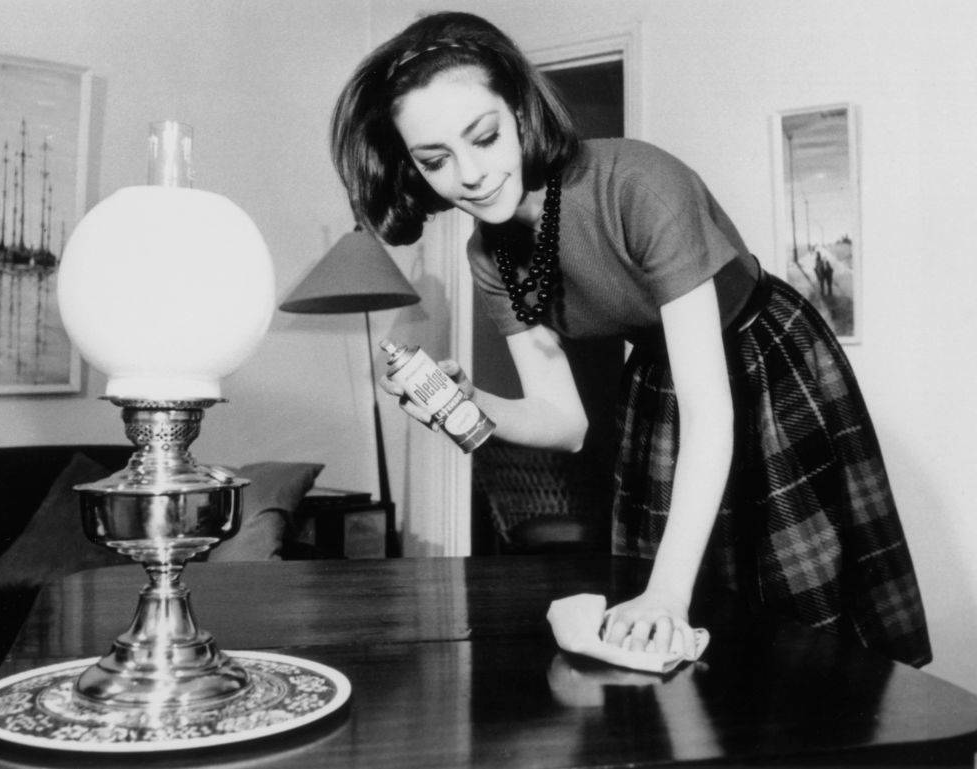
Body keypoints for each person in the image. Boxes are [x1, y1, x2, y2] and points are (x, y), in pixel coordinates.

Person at [330, 11, 931, 666]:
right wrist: (466, 404)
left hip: (763, 358)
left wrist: (666, 595)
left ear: (522, 111)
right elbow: (564, 422)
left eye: (484, 136)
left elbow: (710, 409)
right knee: (694, 642)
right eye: (436, 159)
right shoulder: (489, 255)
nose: (469, 174)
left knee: (799, 619)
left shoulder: (642, 185)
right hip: (658, 380)